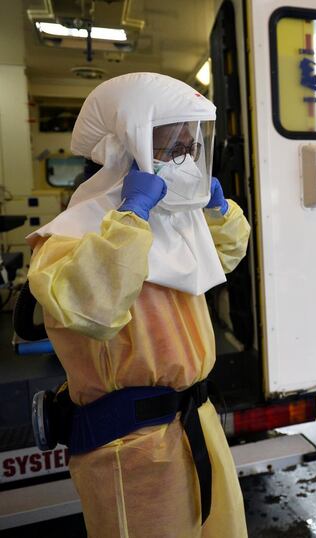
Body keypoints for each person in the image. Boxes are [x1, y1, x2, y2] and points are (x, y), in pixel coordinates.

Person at [27, 73, 250, 537]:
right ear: (125, 151)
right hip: (131, 446)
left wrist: (216, 210)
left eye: (191, 148)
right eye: (172, 150)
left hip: (196, 424)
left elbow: (223, 256)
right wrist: (130, 218)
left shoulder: (172, 225)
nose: (185, 161)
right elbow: (94, 307)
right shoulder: (68, 238)